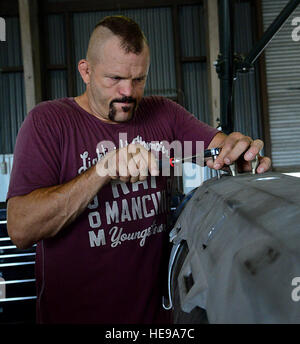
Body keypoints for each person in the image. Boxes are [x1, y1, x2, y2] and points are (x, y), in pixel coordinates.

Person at [6, 15, 271, 324]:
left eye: (138, 79)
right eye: (114, 78)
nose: (128, 92)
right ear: (86, 71)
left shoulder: (163, 114)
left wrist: (242, 153)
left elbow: (220, 147)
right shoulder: (49, 123)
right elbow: (21, 229)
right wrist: (101, 171)